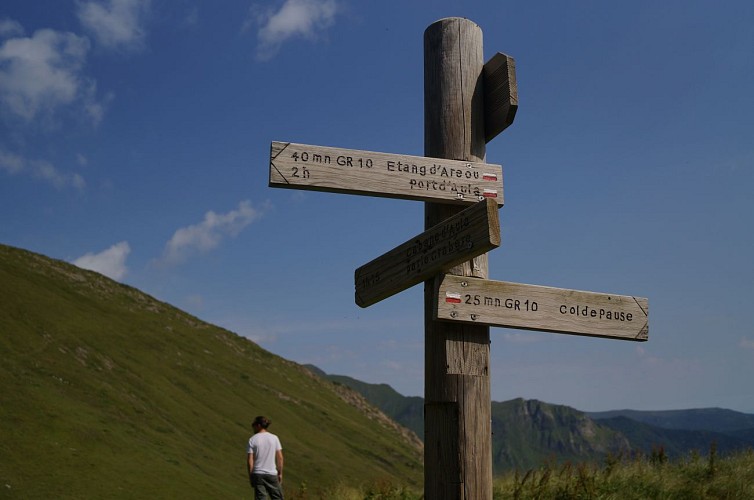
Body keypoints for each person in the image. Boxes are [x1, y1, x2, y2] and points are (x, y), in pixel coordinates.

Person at [246, 416, 284, 499]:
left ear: (259, 425)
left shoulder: (252, 439)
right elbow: (280, 457)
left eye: (254, 425)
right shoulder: (274, 438)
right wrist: (280, 473)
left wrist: (251, 475)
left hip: (258, 474)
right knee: (277, 497)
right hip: (271, 473)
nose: (253, 427)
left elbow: (250, 460)